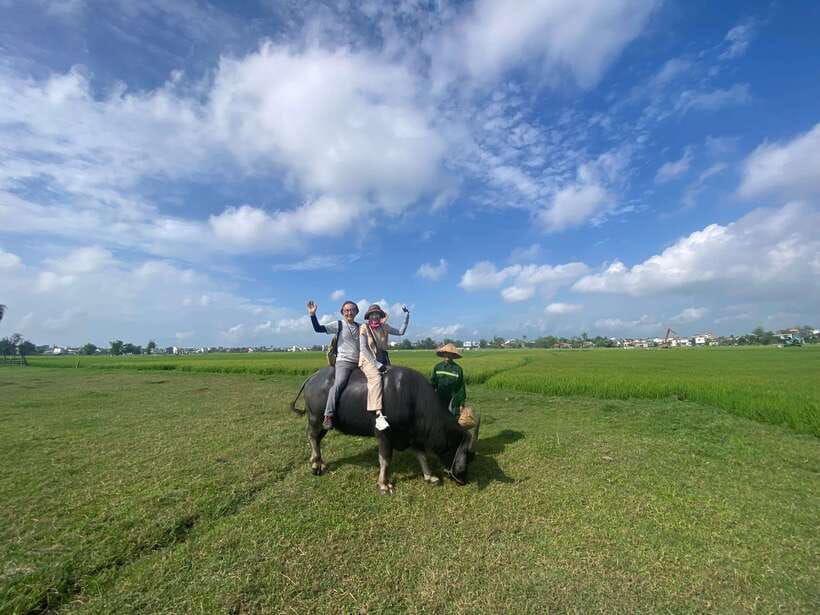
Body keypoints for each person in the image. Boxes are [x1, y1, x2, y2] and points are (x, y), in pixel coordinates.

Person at [308, 299, 361, 430]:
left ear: (356, 312)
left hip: (360, 362)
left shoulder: (360, 327)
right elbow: (318, 329)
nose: (349, 312)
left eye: (352, 310)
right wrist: (312, 315)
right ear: (343, 312)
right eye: (346, 310)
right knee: (339, 384)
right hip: (344, 362)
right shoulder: (339, 324)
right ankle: (328, 415)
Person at [358, 303, 410, 418]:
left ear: (380, 315)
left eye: (377, 314)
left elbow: (401, 332)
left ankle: (391, 406)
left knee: (392, 379)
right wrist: (376, 364)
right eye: (372, 314)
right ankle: (378, 413)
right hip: (368, 359)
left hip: (383, 358)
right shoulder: (364, 327)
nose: (375, 316)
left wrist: (406, 316)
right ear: (369, 316)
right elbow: (363, 348)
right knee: (376, 378)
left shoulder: (384, 326)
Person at [430, 343, 466, 417]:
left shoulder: (458, 369)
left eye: (450, 354)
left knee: (451, 419)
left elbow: (461, 387)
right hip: (439, 397)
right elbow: (433, 383)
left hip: (453, 399)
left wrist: (462, 403)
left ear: (453, 356)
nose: (447, 355)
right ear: (443, 354)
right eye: (446, 353)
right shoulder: (438, 367)